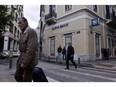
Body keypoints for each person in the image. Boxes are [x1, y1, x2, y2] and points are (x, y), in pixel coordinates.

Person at [14, 17, 38, 82]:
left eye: (20, 23)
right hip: (22, 58)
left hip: (29, 61)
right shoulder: (23, 33)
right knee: (17, 76)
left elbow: (31, 50)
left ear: (26, 22)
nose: (19, 25)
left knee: (27, 80)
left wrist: (25, 63)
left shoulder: (31, 32)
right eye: (18, 23)